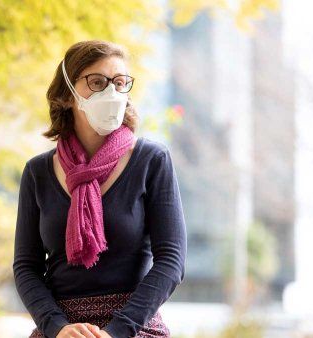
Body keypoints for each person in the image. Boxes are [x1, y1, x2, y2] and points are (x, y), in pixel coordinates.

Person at [13, 40, 187, 338]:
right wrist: (57, 327)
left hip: (134, 326)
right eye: (97, 82)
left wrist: (117, 331)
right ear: (67, 94)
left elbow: (172, 260)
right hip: (61, 329)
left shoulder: (151, 160)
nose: (111, 93)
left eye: (120, 83)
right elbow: (26, 266)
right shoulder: (37, 172)